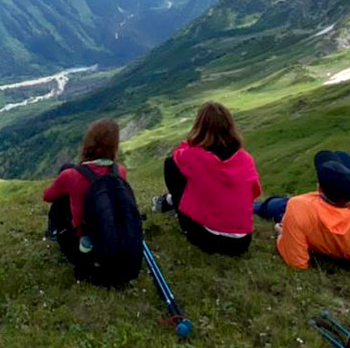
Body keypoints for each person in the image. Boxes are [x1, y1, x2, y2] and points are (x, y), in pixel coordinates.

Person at [253, 150, 350, 284]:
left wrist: (283, 234)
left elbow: (297, 263)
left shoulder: (298, 207)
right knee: (343, 156)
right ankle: (339, 188)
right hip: (348, 214)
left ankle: (251, 204)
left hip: (303, 210)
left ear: (319, 188)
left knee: (270, 205)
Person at [150, 101, 262, 255]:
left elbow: (177, 155)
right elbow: (254, 192)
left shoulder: (194, 155)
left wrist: (193, 142)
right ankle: (171, 202)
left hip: (207, 238)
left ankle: (175, 204)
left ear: (200, 126)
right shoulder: (245, 159)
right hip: (241, 242)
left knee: (171, 165)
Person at [42, 118, 130, 273]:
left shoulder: (71, 175)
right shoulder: (120, 171)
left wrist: (65, 186)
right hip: (111, 238)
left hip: (81, 248)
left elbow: (48, 196)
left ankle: (54, 232)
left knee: (64, 184)